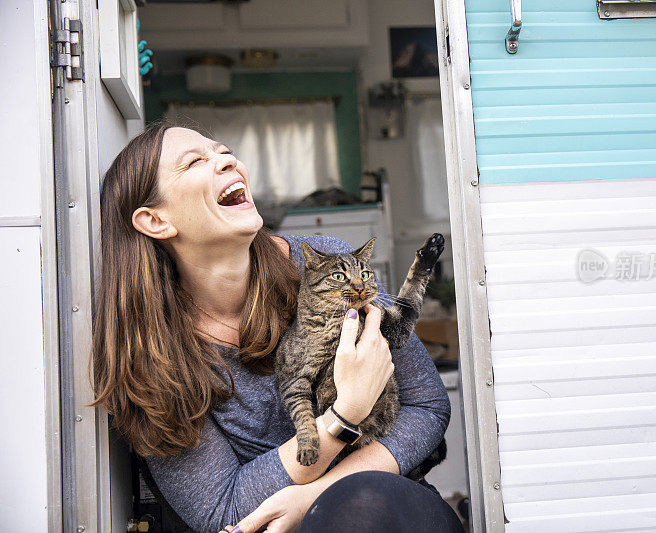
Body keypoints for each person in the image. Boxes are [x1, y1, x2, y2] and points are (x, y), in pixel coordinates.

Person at [89, 123, 463, 533]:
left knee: (361, 507)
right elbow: (221, 511)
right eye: (196, 161)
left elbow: (427, 406)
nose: (228, 160)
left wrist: (309, 498)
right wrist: (343, 416)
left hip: (386, 507)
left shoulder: (326, 267)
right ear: (155, 221)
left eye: (224, 151)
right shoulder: (153, 355)